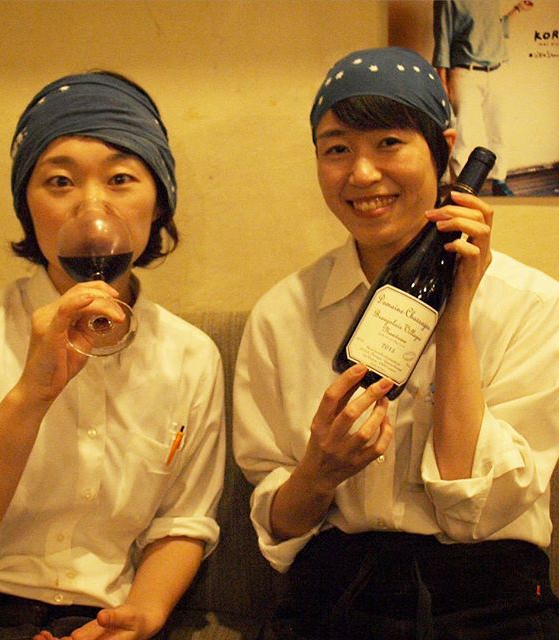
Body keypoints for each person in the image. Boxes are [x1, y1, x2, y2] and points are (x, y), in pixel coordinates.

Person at [233, 47, 559, 639]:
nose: (362, 174)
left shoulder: (534, 306)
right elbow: (278, 530)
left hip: (493, 600)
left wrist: (455, 318)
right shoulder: (282, 315)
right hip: (334, 600)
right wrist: (319, 472)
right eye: (337, 149)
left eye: (388, 143)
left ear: (443, 149)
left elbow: (475, 507)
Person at [0, 71, 225, 639]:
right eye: (59, 181)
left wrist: (141, 617)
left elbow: (182, 521)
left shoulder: (190, 356)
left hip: (97, 617)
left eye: (120, 179)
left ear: (159, 200)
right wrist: (30, 395)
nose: (92, 206)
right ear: (26, 206)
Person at [432, 0, 534, 196]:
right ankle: (461, 191)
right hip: (465, 73)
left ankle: (499, 181)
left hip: (496, 71)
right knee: (463, 136)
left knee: (500, 131)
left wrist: (517, 10)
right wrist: (442, 81)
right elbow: (442, 39)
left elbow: (494, 28)